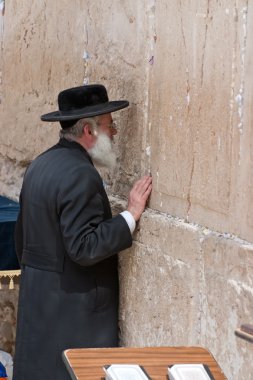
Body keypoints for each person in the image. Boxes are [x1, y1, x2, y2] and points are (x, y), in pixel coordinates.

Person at [13, 84, 152, 380]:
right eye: (109, 125)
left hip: (40, 307)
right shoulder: (80, 173)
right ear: (88, 131)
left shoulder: (41, 164)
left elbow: (21, 240)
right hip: (72, 317)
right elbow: (85, 247)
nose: (114, 133)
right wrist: (131, 214)